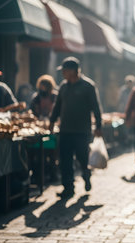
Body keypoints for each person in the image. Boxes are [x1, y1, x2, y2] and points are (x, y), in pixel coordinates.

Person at [49, 57, 102, 199]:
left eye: (65, 70)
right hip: (65, 130)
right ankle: (68, 188)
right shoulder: (63, 86)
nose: (63, 73)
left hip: (82, 131)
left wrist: (98, 126)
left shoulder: (88, 86)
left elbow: (96, 108)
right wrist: (52, 121)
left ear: (73, 71)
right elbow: (57, 106)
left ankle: (86, 174)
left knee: (82, 158)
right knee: (65, 160)